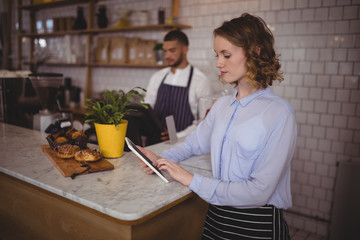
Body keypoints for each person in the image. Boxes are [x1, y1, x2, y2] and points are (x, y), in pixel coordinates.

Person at [139, 13, 297, 239]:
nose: (218, 63)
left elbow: (259, 192)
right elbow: (192, 144)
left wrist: (190, 179)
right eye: (217, 55)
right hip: (216, 219)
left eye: (226, 55)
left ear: (255, 52)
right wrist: (161, 159)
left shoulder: (279, 113)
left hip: (257, 224)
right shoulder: (222, 105)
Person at [144, 29, 213, 140]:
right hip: (153, 143)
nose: (167, 56)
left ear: (185, 49)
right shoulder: (157, 77)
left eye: (172, 51)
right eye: (165, 51)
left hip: (183, 145)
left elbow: (204, 121)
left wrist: (176, 136)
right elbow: (146, 109)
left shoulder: (200, 81)